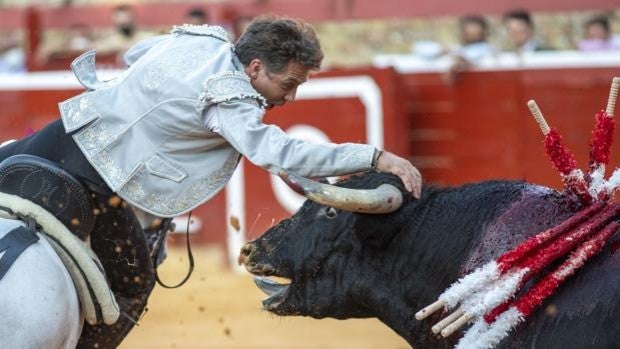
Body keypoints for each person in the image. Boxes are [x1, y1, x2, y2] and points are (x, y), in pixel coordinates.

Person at [0, 16, 421, 348]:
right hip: (100, 186)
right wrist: (372, 155)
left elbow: (138, 54)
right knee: (134, 286)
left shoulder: (203, 42)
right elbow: (278, 153)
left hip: (56, 139)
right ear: (255, 68)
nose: (289, 97)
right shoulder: (229, 99)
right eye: (288, 83)